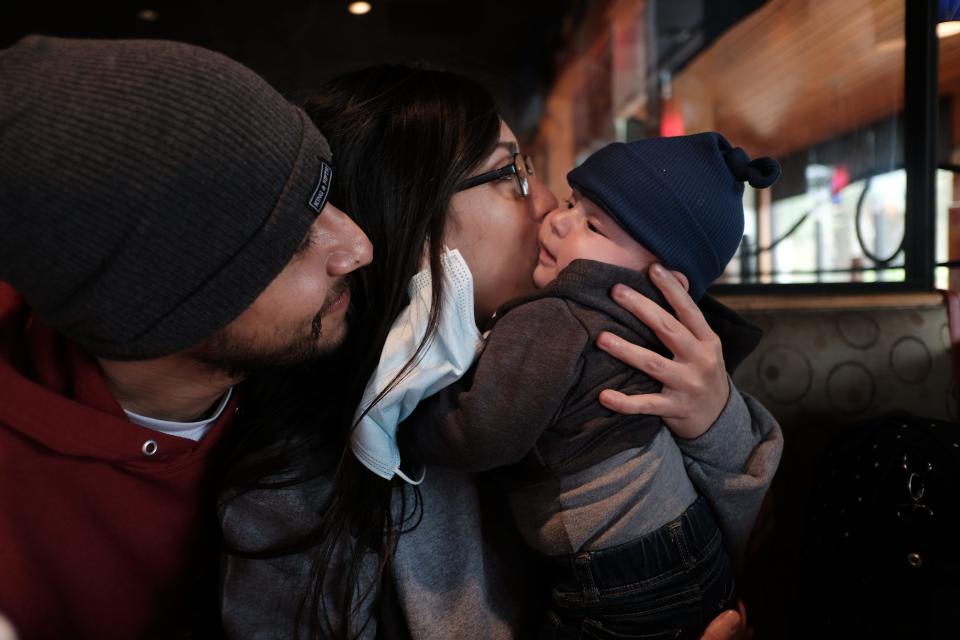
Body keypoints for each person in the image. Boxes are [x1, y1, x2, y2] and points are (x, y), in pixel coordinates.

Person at [219, 65, 782, 640]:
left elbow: (739, 546)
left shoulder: (637, 339)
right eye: (511, 172)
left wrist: (714, 419)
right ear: (411, 214)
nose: (544, 204)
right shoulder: (304, 475)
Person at [0, 35, 372, 639]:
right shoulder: (19, 554)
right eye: (287, 245)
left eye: (326, 196)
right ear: (161, 309)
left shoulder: (330, 347)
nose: (358, 247)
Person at [393, 133, 783, 639]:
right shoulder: (610, 319)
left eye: (591, 223)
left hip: (625, 573)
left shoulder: (562, 319)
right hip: (689, 569)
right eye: (510, 176)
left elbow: (481, 432)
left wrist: (409, 422)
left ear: (667, 281)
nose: (553, 210)